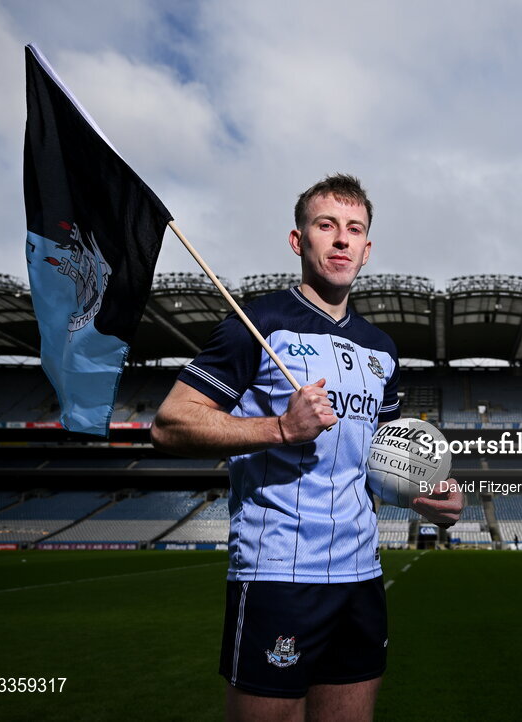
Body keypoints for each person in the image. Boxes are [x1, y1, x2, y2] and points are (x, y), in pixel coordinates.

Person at [152, 174, 463, 721]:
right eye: (326, 226)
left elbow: (378, 464)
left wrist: (424, 496)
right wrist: (279, 429)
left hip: (361, 577)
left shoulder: (381, 350)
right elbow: (170, 424)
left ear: (367, 250)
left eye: (354, 230)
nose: (341, 240)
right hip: (278, 575)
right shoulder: (258, 323)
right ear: (299, 241)